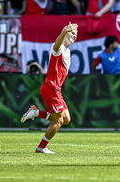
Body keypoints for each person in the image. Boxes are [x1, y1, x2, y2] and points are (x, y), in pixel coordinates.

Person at [20, 22, 78, 154]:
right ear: (65, 33)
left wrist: (68, 32)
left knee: (66, 119)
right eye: (72, 33)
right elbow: (57, 43)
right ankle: (41, 148)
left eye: (75, 35)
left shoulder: (67, 51)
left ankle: (36, 112)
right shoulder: (58, 47)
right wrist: (64, 32)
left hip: (55, 89)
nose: (74, 36)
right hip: (51, 88)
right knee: (58, 121)